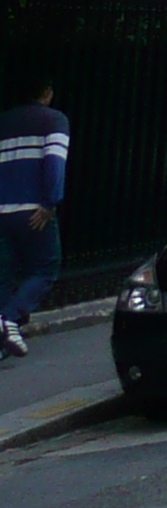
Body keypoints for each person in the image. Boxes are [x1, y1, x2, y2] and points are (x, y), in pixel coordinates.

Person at [0, 74, 67, 359]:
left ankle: (2, 338)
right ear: (47, 92)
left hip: (1, 211)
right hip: (34, 210)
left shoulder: (3, 122)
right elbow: (54, 162)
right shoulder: (53, 120)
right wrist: (50, 202)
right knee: (45, 268)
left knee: (4, 273)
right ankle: (8, 319)